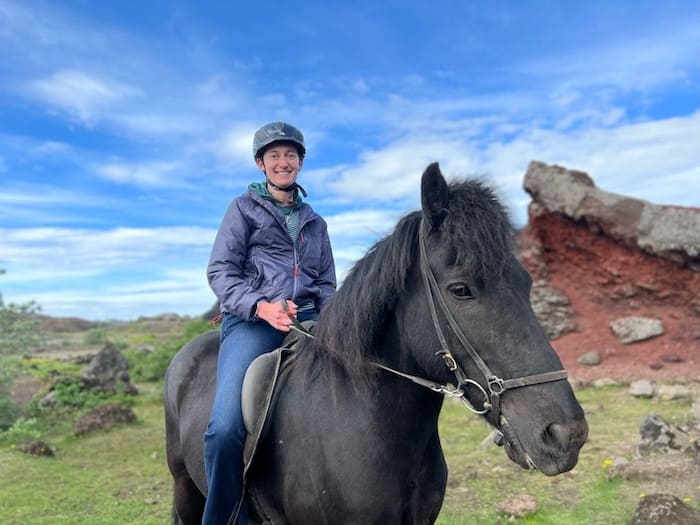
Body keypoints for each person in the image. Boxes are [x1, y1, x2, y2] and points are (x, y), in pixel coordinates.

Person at [203, 121, 336, 524]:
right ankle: (224, 517)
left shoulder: (316, 222)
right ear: (261, 163)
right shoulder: (242, 209)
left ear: (300, 162)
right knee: (224, 429)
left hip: (308, 319)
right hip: (253, 320)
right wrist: (261, 306)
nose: (284, 162)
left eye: (291, 155)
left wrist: (335, 321)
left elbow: (326, 283)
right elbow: (221, 271)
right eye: (275, 155)